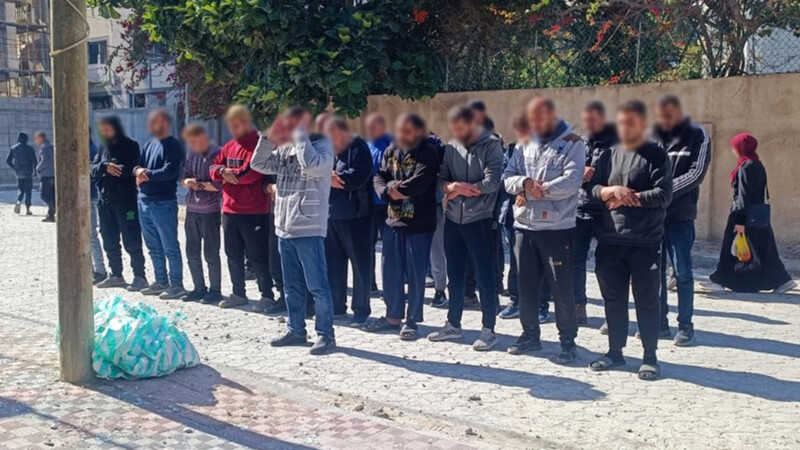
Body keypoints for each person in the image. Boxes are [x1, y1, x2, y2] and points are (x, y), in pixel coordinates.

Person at [587, 100, 672, 381]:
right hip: (610, 240)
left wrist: (627, 199)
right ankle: (615, 352)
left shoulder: (656, 156)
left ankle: (650, 357)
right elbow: (591, 189)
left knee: (646, 301)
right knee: (613, 299)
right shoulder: (608, 154)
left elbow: (663, 195)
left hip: (645, 243)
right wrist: (609, 190)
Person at [502, 97, 583, 364]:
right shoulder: (525, 143)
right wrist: (524, 183)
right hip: (524, 226)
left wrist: (536, 192)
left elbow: (572, 182)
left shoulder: (572, 143)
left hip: (557, 228)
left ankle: (567, 342)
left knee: (561, 288)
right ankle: (529, 336)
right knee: (526, 286)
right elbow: (508, 177)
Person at [250, 106, 337, 355]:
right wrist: (268, 137)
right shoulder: (286, 149)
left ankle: (326, 335)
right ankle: (296, 330)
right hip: (285, 228)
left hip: (309, 228)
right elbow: (258, 164)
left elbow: (310, 165)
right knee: (291, 286)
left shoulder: (323, 148)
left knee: (317, 286)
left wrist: (299, 134)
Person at [428, 105, 503, 351]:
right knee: (455, 274)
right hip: (453, 219)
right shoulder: (451, 147)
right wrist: (452, 188)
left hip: (480, 219)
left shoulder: (491, 145)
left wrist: (467, 189)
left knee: (485, 276)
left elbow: (493, 181)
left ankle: (488, 329)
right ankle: (453, 324)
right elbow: (441, 179)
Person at [370, 113, 438, 340]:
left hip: (419, 223)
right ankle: (392, 317)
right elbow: (378, 177)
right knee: (390, 271)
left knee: (416, 274)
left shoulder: (427, 151)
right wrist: (389, 191)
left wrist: (398, 190)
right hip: (392, 220)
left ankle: (412, 321)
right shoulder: (391, 149)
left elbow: (421, 181)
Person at [652, 94, 712, 346]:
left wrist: (664, 191)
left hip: (680, 217)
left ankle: (686, 325)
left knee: (683, 272)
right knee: (654, 273)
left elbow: (696, 174)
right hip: (654, 217)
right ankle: (660, 322)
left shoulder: (697, 135)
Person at [706, 133, 796, 294]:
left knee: (730, 249)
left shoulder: (746, 167)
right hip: (757, 215)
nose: (733, 150)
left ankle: (719, 280)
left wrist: (740, 220)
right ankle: (783, 280)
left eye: (735, 147)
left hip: (743, 215)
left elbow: (743, 195)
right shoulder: (757, 164)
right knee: (763, 250)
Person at [209, 105, 276, 310]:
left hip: (254, 211)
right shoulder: (229, 145)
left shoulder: (258, 145)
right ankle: (238, 293)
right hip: (229, 210)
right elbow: (212, 168)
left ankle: (267, 296)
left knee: (258, 256)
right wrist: (223, 170)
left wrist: (228, 175)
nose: (234, 128)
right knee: (232, 253)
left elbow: (250, 174)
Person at [324, 117, 375, 327]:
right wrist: (329, 176)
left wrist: (333, 178)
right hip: (331, 215)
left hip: (357, 216)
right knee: (334, 264)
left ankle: (361, 310)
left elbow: (357, 177)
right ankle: (337, 306)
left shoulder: (358, 147)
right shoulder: (327, 150)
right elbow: (317, 174)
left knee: (360, 264)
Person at [133, 109, 186, 299]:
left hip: (163, 203)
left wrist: (144, 175)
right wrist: (138, 170)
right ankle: (160, 281)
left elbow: (169, 172)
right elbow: (136, 165)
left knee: (169, 246)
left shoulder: (173, 146)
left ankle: (176, 284)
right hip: (144, 202)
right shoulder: (149, 145)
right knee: (153, 246)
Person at [91, 116, 148, 290]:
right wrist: (104, 166)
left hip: (126, 203)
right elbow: (91, 168)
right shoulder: (102, 148)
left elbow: (133, 169)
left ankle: (140, 276)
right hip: (105, 202)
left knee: (131, 238)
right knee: (109, 239)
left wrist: (113, 169)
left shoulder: (131, 145)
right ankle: (116, 274)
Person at [576, 101, 618, 327]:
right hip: (579, 209)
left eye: (593, 119)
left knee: (607, 265)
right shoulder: (578, 142)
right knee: (576, 261)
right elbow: (566, 169)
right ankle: (578, 308)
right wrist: (577, 172)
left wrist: (597, 176)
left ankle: (611, 313)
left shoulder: (616, 142)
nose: (589, 124)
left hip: (605, 212)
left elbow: (621, 173)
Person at [180, 123, 223, 304]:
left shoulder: (217, 154)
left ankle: (215, 290)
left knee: (211, 253)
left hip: (210, 210)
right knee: (192, 252)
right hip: (192, 209)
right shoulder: (192, 155)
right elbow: (183, 179)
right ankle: (199, 287)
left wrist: (199, 185)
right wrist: (188, 182)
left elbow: (218, 185)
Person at [497, 112, 528, 319]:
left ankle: (540, 304)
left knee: (536, 262)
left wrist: (527, 191)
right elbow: (504, 177)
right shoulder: (510, 150)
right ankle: (515, 300)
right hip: (510, 213)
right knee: (515, 261)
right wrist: (520, 188)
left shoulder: (547, 151)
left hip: (536, 214)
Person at [365, 112, 393, 295]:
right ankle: (370, 283)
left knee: (390, 247)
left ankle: (391, 286)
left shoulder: (392, 144)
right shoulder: (366, 145)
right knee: (368, 245)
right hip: (369, 204)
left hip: (387, 203)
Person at [427, 132, 448, 308]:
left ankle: (440, 289)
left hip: (433, 204)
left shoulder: (437, 148)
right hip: (412, 206)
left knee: (436, 250)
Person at [89, 132, 108, 284]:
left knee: (91, 235)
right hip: (81, 197)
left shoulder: (92, 149)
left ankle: (100, 270)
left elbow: (94, 172)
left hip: (90, 196)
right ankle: (90, 269)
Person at [7, 132, 36, 215]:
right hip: (28, 172)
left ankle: (18, 201)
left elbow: (8, 161)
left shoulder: (13, 148)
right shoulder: (29, 149)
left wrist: (14, 168)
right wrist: (35, 172)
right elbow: (34, 161)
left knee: (20, 189)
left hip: (19, 172)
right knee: (28, 190)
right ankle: (27, 209)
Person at [34, 132, 55, 222]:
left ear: (40, 138)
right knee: (52, 195)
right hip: (54, 175)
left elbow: (44, 160)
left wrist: (37, 168)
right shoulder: (52, 146)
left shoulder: (44, 148)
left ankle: (53, 208)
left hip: (46, 175)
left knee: (44, 196)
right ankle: (50, 215)